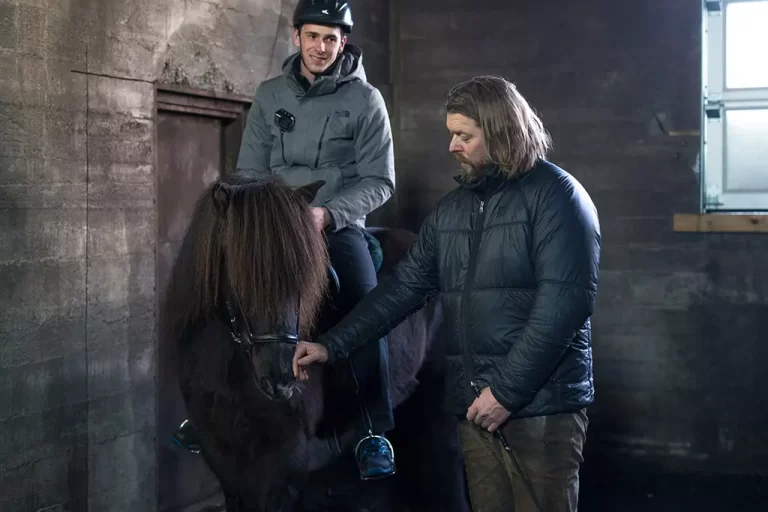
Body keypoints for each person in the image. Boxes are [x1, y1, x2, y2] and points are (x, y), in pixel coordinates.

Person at [293, 75, 601, 511]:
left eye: (464, 135)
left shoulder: (559, 198)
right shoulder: (454, 210)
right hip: (476, 407)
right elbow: (401, 291)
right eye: (451, 134)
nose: (452, 146)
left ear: (500, 132)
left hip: (541, 410)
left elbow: (565, 307)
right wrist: (330, 346)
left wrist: (507, 395)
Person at [175, 0, 398, 480]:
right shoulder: (270, 94)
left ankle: (370, 428)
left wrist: (328, 213)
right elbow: (250, 171)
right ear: (296, 37)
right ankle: (206, 412)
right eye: (313, 36)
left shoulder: (366, 101)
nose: (321, 47)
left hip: (332, 224)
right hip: (272, 225)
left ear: (344, 43)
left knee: (362, 304)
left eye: (331, 38)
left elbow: (381, 181)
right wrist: (259, 217)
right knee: (216, 292)